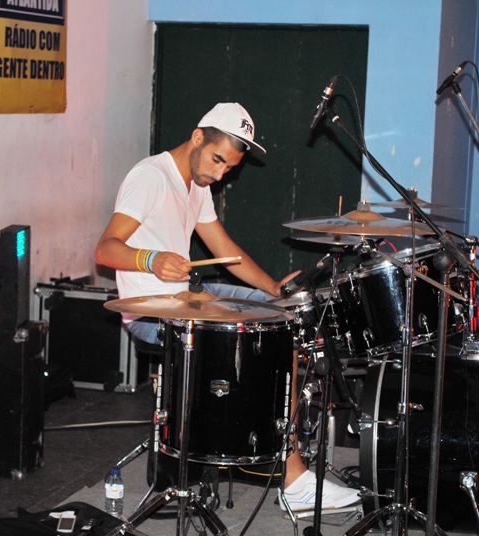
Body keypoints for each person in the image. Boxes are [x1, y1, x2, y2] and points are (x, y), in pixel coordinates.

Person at [95, 102, 359, 512]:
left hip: (183, 298)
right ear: (197, 137)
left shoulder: (197, 185)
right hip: (150, 311)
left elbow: (224, 249)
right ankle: (292, 478)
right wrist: (150, 259)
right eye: (217, 161)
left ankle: (277, 453)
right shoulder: (150, 177)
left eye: (229, 169)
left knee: (283, 313)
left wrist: (273, 287)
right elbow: (105, 249)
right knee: (269, 336)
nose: (219, 175)